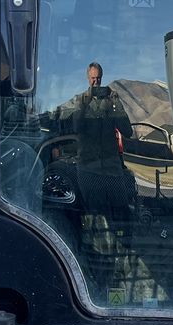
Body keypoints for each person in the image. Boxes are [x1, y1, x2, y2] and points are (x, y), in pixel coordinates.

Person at [51, 62, 135, 218]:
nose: (95, 82)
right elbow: (77, 127)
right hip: (89, 169)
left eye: (98, 78)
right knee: (93, 215)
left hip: (112, 169)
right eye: (92, 78)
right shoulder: (80, 100)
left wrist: (116, 104)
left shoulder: (111, 102)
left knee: (121, 213)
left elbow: (127, 131)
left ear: (102, 78)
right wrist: (84, 104)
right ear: (87, 78)